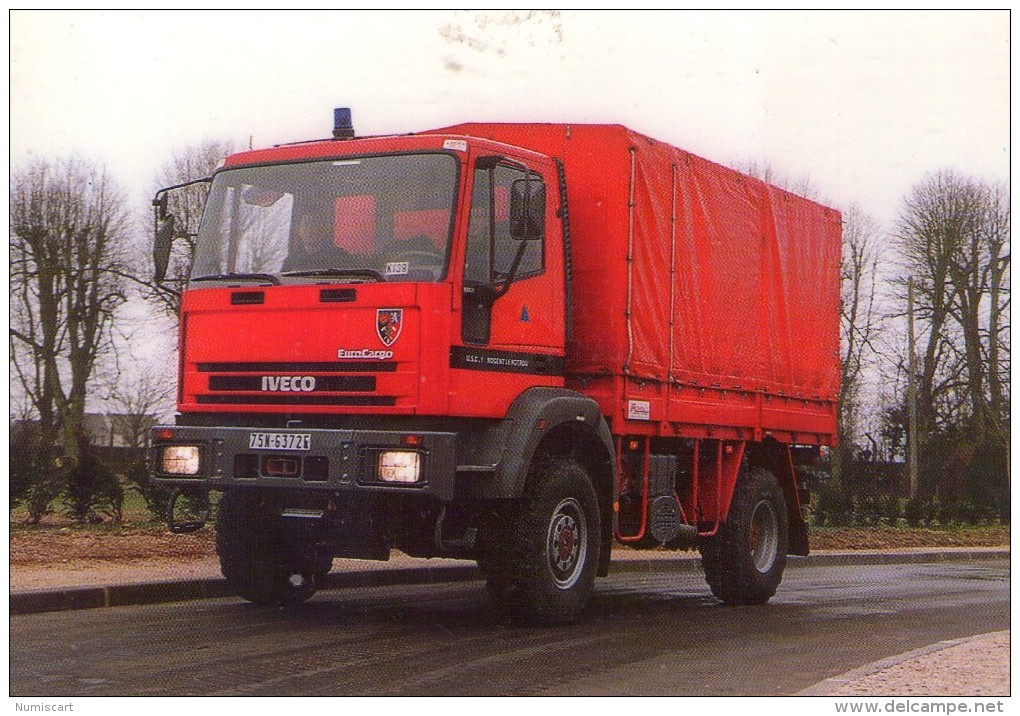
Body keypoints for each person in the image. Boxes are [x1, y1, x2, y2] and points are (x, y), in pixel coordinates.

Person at [283, 208, 350, 271]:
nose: (311, 229)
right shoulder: (292, 260)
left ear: (325, 230)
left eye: (316, 224)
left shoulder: (340, 257)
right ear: (299, 231)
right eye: (306, 225)